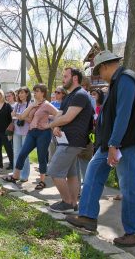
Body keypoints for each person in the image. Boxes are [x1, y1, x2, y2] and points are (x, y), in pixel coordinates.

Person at [66, 51, 135, 247]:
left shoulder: (126, 79)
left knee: (128, 186)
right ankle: (87, 217)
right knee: (93, 173)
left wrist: (114, 144)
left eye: (98, 71)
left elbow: (124, 114)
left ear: (105, 66)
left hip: (124, 143)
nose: (98, 75)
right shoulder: (117, 81)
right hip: (109, 143)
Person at [47, 68, 93, 213]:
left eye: (65, 76)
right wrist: (56, 126)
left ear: (75, 78)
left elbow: (68, 118)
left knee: (54, 171)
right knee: (71, 173)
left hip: (73, 141)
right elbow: (60, 115)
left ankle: (66, 202)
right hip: (66, 140)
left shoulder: (80, 95)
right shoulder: (68, 96)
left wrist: (49, 125)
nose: (63, 79)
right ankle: (73, 204)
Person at [3, 84, 58, 190]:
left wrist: (51, 125)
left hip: (43, 133)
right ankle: (15, 176)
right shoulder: (32, 104)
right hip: (32, 132)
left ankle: (42, 181)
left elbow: (59, 113)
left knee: (41, 156)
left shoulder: (47, 104)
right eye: (34, 91)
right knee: (22, 153)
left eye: (37, 91)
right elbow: (23, 116)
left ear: (43, 93)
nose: (35, 93)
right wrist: (32, 106)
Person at [12, 87, 31, 181]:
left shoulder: (30, 104)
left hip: (26, 132)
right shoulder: (17, 104)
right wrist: (16, 115)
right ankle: (16, 174)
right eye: (19, 93)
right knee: (16, 153)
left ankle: (24, 175)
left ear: (27, 94)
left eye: (22, 93)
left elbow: (31, 119)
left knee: (25, 154)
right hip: (16, 131)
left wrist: (22, 117)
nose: (20, 95)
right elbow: (12, 114)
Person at [48, 86, 66, 160]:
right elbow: (46, 115)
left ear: (63, 94)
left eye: (58, 92)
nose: (56, 94)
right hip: (51, 130)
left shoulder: (65, 104)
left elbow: (65, 116)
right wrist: (56, 116)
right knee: (52, 150)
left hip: (61, 131)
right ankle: (51, 168)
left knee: (62, 150)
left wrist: (53, 116)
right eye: (55, 92)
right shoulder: (51, 103)